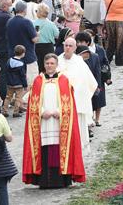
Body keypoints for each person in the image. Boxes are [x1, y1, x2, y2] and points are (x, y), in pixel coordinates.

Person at [22, 53, 86, 188]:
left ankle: (62, 180)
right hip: (43, 122)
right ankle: (45, 181)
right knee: (45, 149)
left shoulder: (64, 80)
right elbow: (33, 100)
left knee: (59, 149)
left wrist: (59, 111)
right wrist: (41, 111)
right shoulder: (38, 81)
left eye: (52, 63)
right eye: (47, 63)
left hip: (59, 121)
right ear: (44, 65)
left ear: (57, 65)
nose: (49, 66)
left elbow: (69, 101)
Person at [57, 37, 98, 152]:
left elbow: (89, 80)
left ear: (75, 48)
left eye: (70, 46)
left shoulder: (79, 61)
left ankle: (78, 148)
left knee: (78, 128)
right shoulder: (58, 61)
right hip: (62, 99)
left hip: (78, 98)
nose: (68, 48)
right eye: (66, 45)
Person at [6, 1, 39, 84]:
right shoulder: (27, 22)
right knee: (31, 83)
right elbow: (34, 39)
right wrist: (37, 34)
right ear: (25, 10)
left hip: (13, 58)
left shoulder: (9, 21)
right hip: (27, 57)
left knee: (16, 85)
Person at [1, 45, 28, 118]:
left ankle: (4, 111)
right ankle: (15, 112)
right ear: (23, 53)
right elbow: (23, 75)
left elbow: (6, 71)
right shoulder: (22, 63)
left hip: (10, 83)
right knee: (18, 98)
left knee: (8, 97)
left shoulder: (9, 60)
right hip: (19, 84)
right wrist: (25, 85)